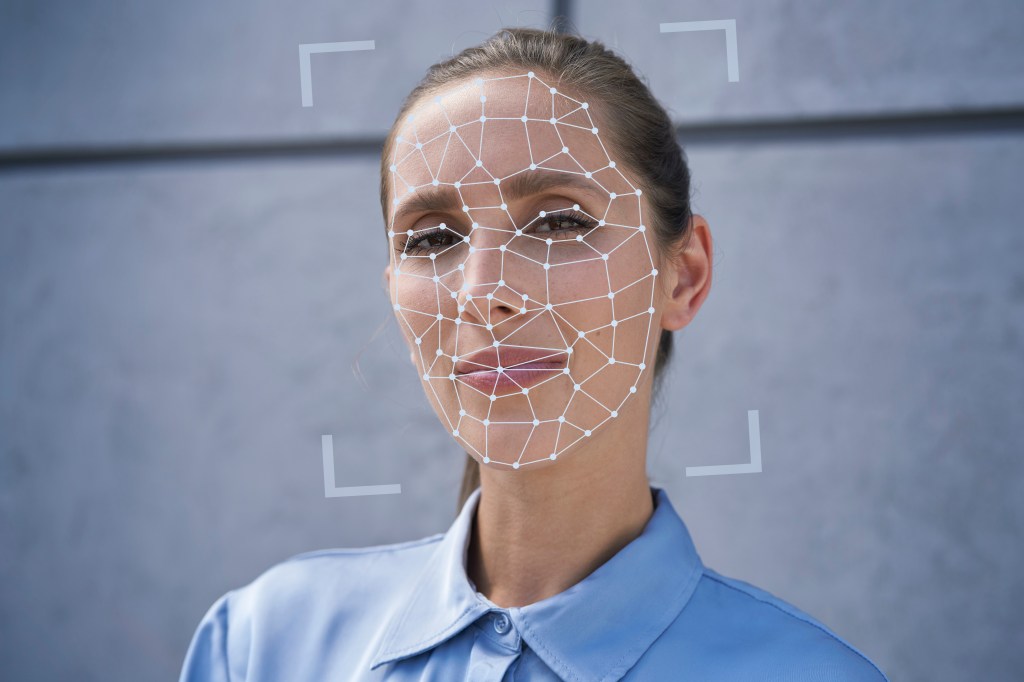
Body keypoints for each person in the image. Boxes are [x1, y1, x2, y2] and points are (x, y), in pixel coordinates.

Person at [179, 27, 889, 681]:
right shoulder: (262, 647)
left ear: (683, 273)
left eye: (558, 222)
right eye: (431, 238)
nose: (483, 293)